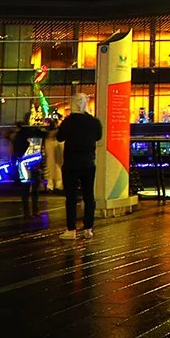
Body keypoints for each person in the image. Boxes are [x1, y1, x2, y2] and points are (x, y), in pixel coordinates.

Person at [53, 93, 102, 240]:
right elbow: (98, 137)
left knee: (71, 197)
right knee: (89, 195)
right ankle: (88, 228)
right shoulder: (94, 122)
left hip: (71, 163)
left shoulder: (68, 122)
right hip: (88, 162)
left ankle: (71, 229)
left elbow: (59, 137)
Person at [11, 121, 40, 217]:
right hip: (34, 163)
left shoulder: (18, 137)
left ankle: (26, 211)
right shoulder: (34, 135)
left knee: (25, 189)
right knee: (35, 189)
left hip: (23, 165)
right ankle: (35, 210)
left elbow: (15, 152)